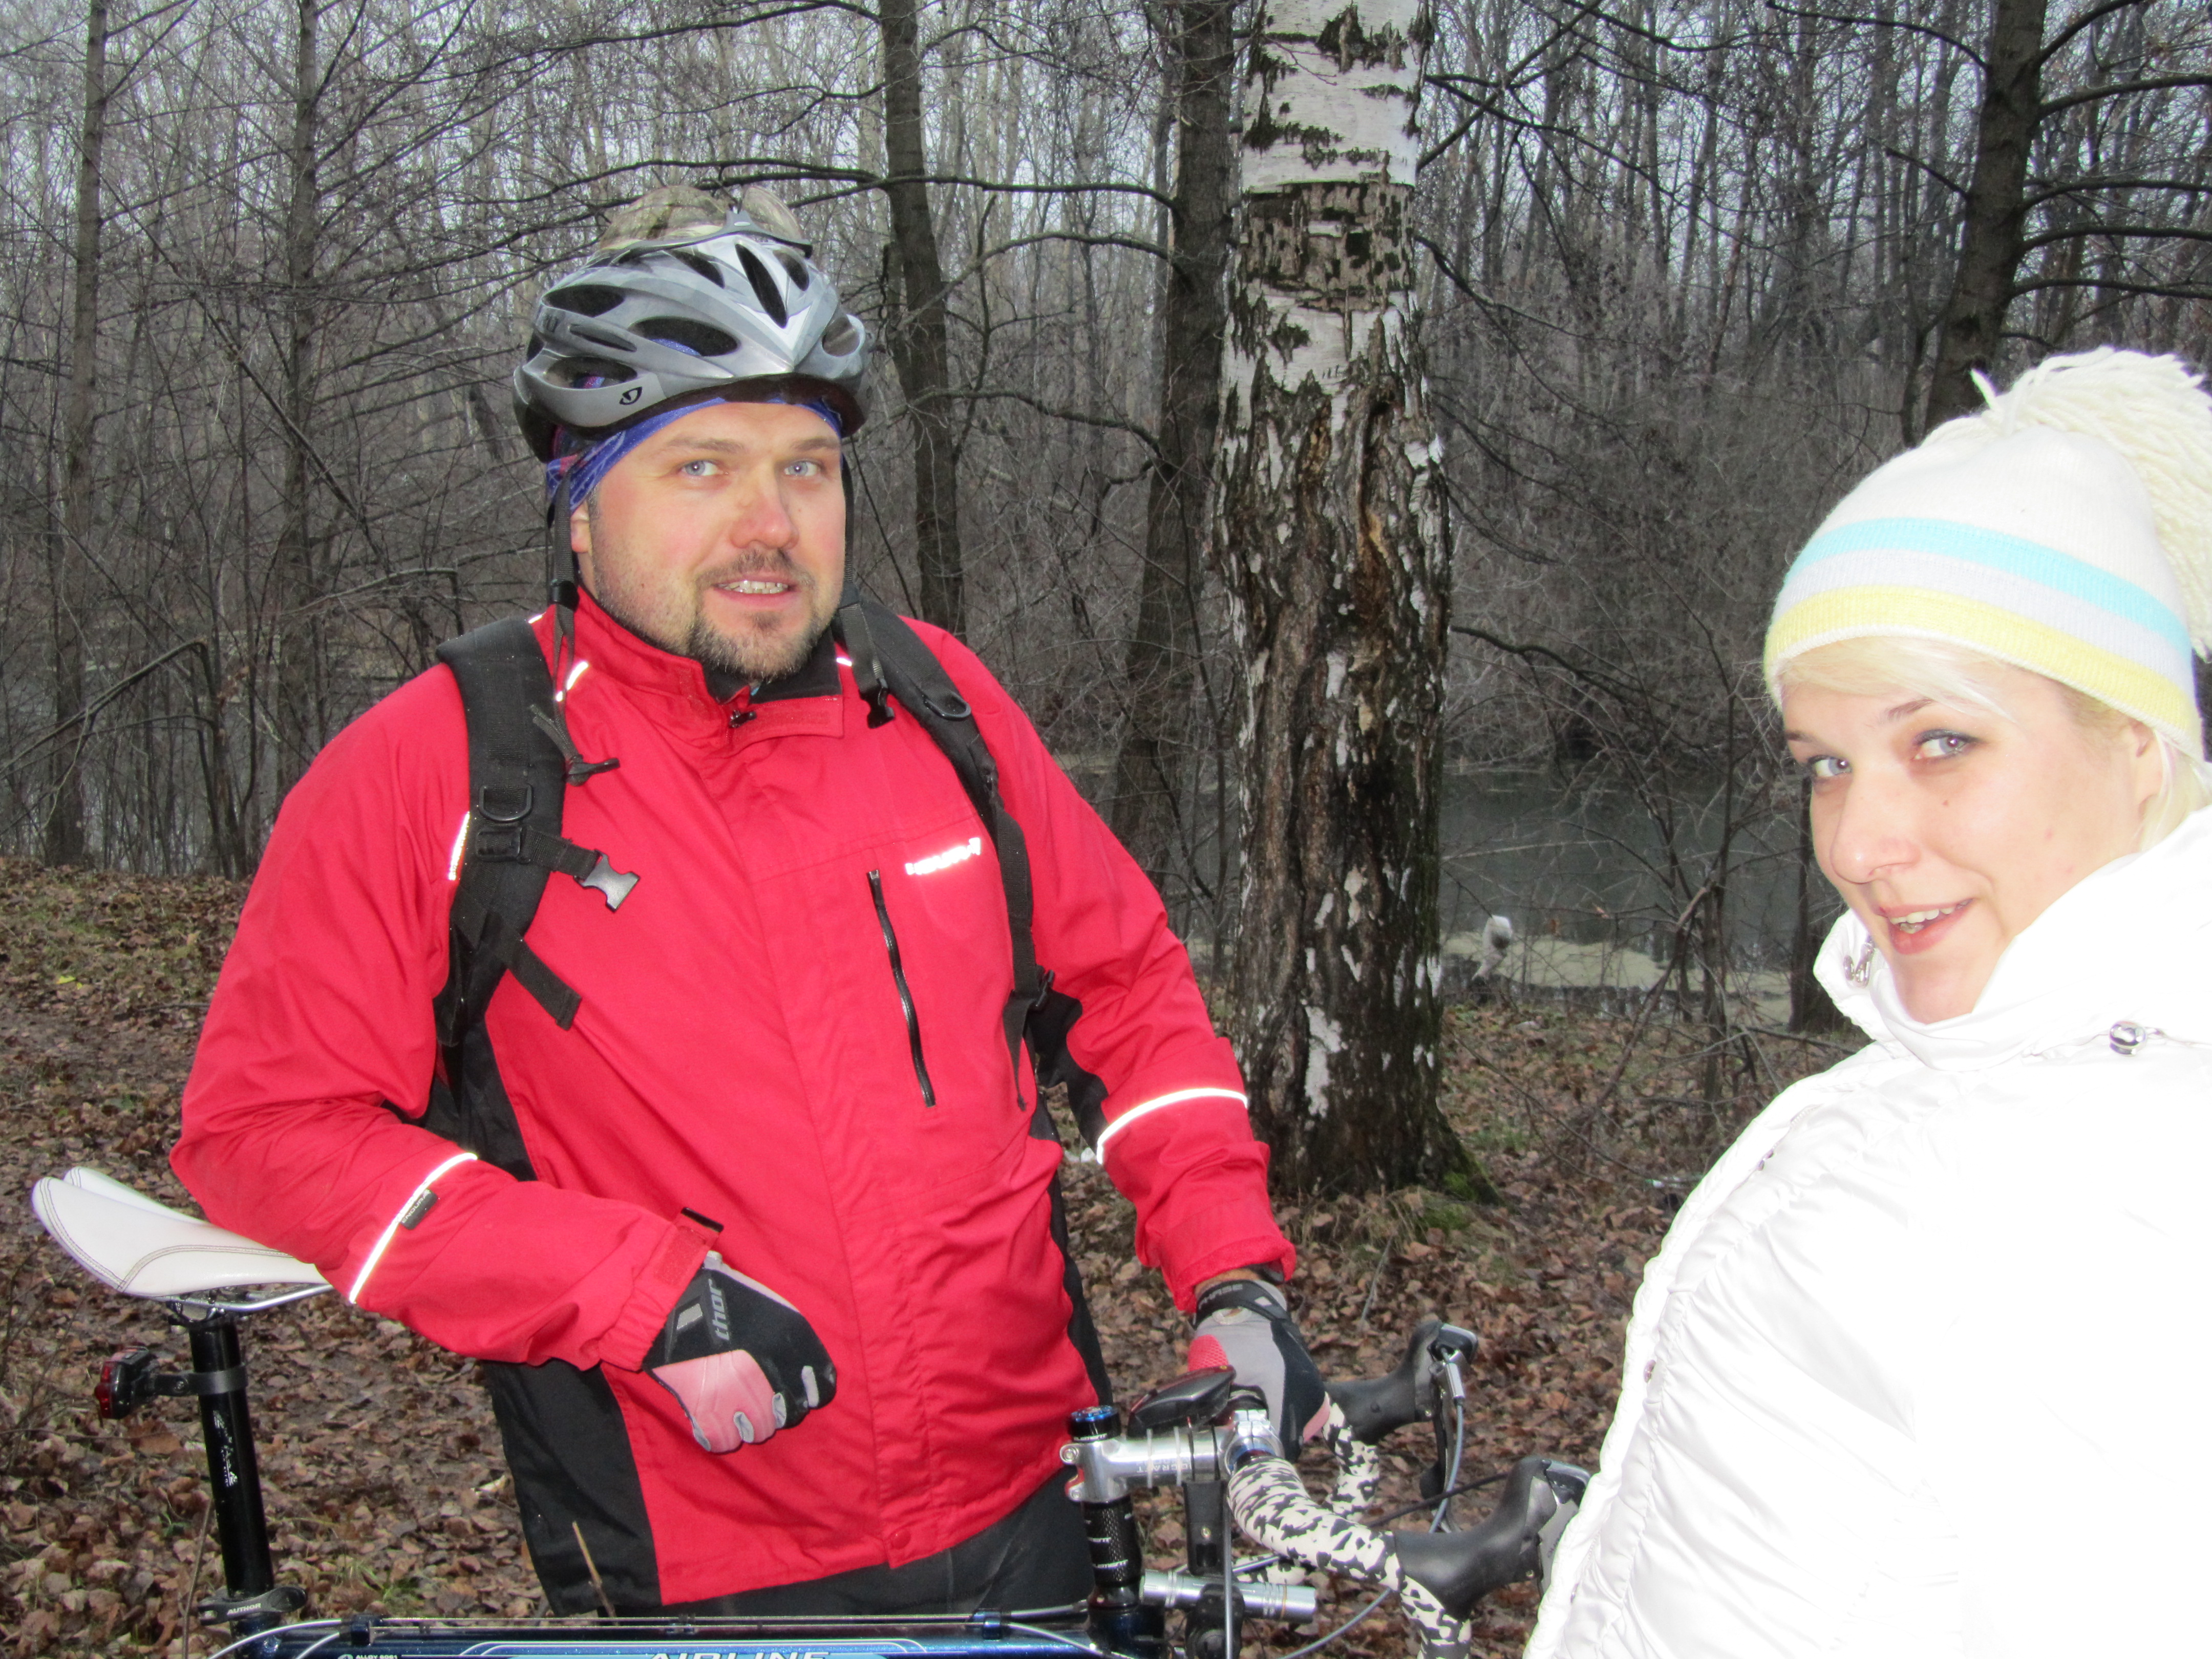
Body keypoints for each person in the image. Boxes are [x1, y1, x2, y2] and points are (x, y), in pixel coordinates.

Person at [172, 185, 1323, 1618]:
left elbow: (1131, 995)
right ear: (580, 504)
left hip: (1044, 1501)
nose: (769, 525)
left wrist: (1233, 1276)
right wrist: (632, 1287)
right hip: (709, 1560)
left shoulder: (940, 706)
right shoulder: (441, 764)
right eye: (701, 468)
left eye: (807, 467)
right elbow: (264, 1131)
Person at [1526, 347, 2212, 1657]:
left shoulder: (2128, 1209)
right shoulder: (1963, 1073)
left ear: (2137, 745)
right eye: (1828, 764)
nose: (1855, 845)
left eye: (1941, 742)